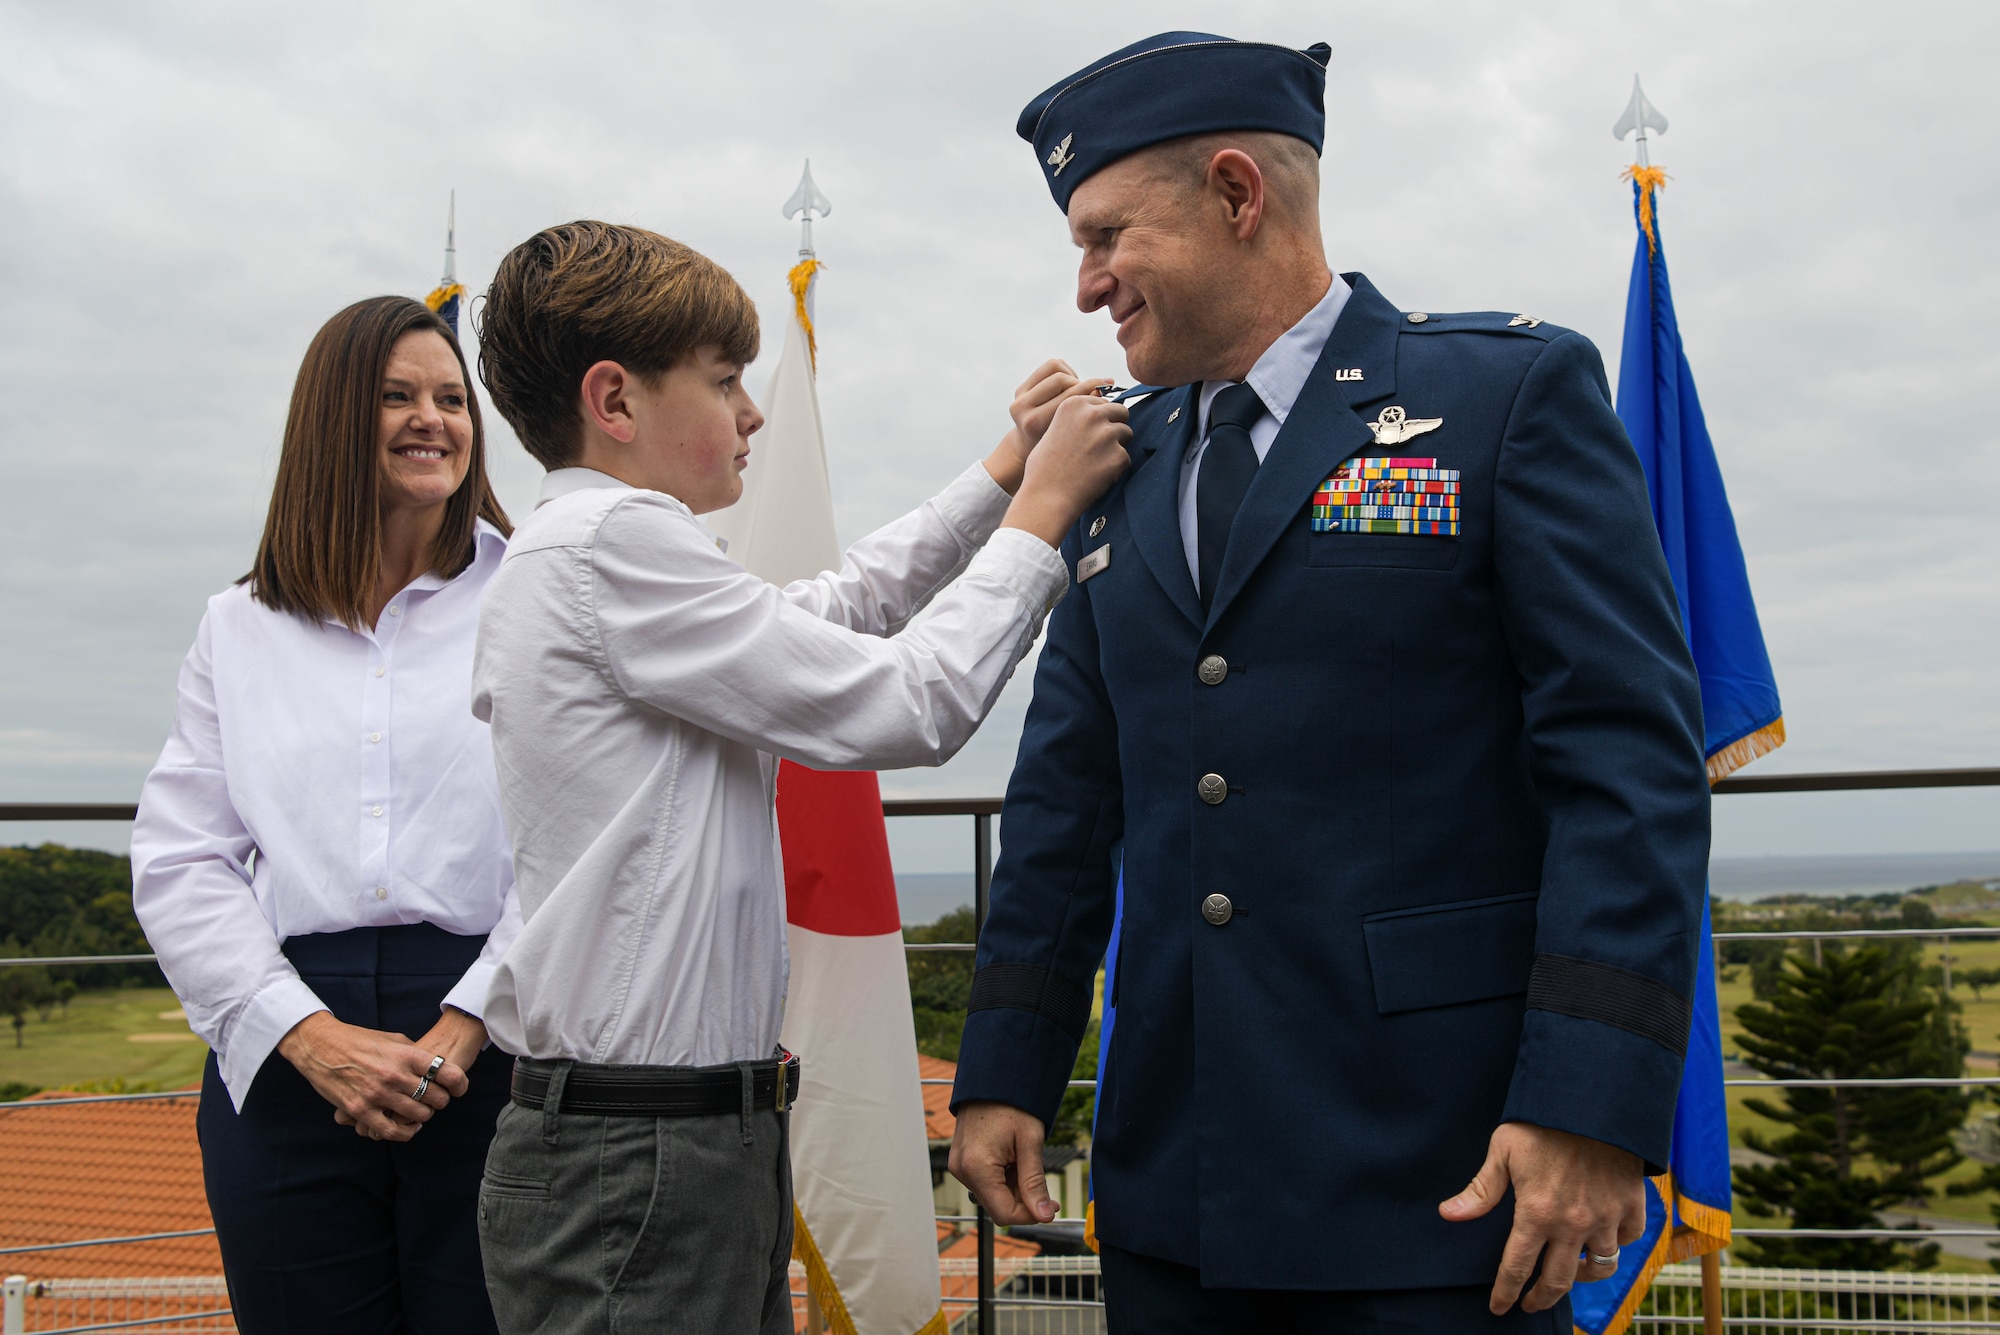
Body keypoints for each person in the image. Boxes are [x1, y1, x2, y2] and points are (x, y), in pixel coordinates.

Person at [948, 32, 1712, 1334]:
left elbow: (1628, 770)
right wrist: (1006, 1062)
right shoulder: (1113, 463)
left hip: (1442, 1178)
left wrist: (1588, 1098)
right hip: (1172, 1186)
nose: (1084, 288)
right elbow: (1069, 793)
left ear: (1238, 194)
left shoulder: (1502, 399)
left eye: (1105, 236)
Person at [466, 220, 1130, 1334]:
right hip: (643, 1152)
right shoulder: (611, 545)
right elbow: (904, 702)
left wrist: (999, 474)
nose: (753, 411)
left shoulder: (592, 552)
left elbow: (821, 615)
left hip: (664, 1141)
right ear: (614, 401)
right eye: (723, 380)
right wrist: (1044, 516)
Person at [132, 296, 521, 1333]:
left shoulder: (532, 597)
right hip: (287, 1038)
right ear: (331, 422)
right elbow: (181, 858)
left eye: (450, 398)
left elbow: (576, 843)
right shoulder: (237, 625)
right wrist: (302, 1034)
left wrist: (466, 1022)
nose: (429, 418)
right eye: (395, 396)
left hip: (497, 1040)